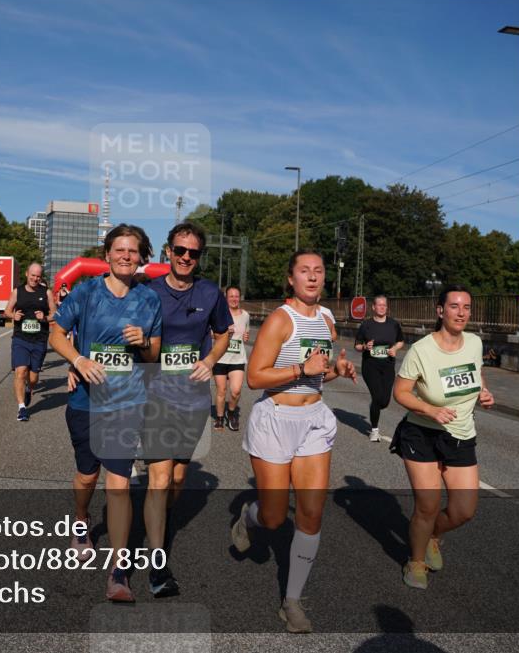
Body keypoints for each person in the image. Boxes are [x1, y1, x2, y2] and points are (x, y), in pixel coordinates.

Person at [230, 249, 357, 633]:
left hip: (314, 420)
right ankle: (247, 520)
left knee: (311, 514)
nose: (313, 277)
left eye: (318, 271)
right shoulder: (279, 321)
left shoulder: (327, 320)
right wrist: (303, 367)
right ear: (291, 278)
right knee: (272, 516)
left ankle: (293, 601)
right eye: (305, 271)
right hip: (276, 419)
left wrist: (336, 369)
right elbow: (255, 378)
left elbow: (317, 377)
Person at [49, 224, 162, 603]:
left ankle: (118, 571)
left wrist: (143, 342)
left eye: (133, 251)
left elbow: (153, 357)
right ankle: (81, 519)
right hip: (85, 401)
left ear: (142, 256)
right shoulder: (86, 291)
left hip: (126, 403)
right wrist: (78, 359)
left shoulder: (148, 300)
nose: (126, 256)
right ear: (108, 254)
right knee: (87, 476)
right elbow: (56, 335)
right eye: (120, 250)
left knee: (119, 484)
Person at [141, 222, 231, 597]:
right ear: (168, 251)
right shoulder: (148, 292)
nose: (185, 258)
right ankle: (156, 561)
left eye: (193, 253)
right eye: (179, 250)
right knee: (159, 479)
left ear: (199, 257)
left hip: (192, 397)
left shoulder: (211, 293)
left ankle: (158, 519)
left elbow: (224, 333)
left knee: (178, 479)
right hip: (155, 395)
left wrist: (210, 360)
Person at [391, 285, 494, 590]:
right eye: (454, 307)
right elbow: (400, 392)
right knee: (428, 505)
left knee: (464, 510)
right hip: (421, 434)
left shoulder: (474, 343)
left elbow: (476, 374)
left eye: (466, 307)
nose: (461, 313)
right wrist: (430, 409)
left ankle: (431, 536)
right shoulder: (422, 350)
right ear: (440, 311)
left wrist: (483, 394)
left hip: (460, 435)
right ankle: (416, 561)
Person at [5, 263, 56, 421]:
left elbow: (55, 313)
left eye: (38, 276)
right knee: (20, 372)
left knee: (33, 378)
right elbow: (6, 310)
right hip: (20, 338)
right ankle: (22, 408)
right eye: (33, 275)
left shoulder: (46, 292)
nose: (35, 278)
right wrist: (14, 316)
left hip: (39, 339)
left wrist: (45, 318)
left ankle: (29, 388)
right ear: (27, 274)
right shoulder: (17, 292)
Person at [354, 295, 405, 442]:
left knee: (384, 402)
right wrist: (365, 346)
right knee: (377, 397)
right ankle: (374, 430)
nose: (382, 307)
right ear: (373, 307)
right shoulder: (366, 325)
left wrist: (395, 348)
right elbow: (357, 345)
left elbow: (401, 341)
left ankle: (375, 406)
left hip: (388, 365)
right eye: (379, 305)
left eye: (384, 305)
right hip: (370, 366)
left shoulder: (393, 324)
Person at [214, 286, 250, 431]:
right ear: (226, 298)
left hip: (237, 359)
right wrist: (222, 333)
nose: (234, 299)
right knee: (221, 390)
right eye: (231, 296)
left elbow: (245, 333)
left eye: (236, 296)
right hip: (221, 358)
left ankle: (231, 413)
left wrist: (246, 336)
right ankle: (220, 417)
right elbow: (210, 333)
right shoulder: (219, 314)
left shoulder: (245, 315)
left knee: (235, 391)